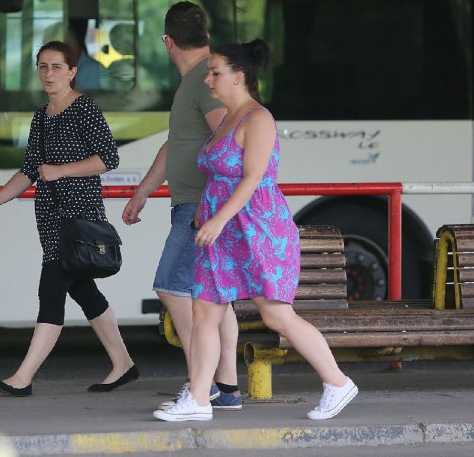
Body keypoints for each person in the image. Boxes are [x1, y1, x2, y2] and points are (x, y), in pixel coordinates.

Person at [153, 39, 358, 422]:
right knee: (204, 312)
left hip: (257, 230)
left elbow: (252, 178)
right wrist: (205, 213)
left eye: (215, 72)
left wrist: (217, 218)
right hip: (223, 233)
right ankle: (199, 398)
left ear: (239, 76)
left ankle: (337, 382)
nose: (208, 79)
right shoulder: (226, 118)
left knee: (276, 315)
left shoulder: (258, 118)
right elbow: (220, 175)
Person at [0, 40, 138, 396]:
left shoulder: (84, 108)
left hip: (78, 216)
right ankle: (123, 363)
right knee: (83, 289)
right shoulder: (41, 116)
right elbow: (29, 170)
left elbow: (108, 158)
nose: (49, 74)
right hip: (51, 219)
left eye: (57, 67)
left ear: (72, 72)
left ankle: (23, 377)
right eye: (43, 66)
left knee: (51, 291)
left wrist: (60, 170)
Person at [122, 2, 241, 410]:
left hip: (199, 208)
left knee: (171, 287)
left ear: (167, 41)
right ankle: (226, 387)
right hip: (203, 206)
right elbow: (177, 145)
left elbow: (227, 136)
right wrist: (142, 192)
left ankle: (200, 386)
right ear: (205, 36)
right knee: (216, 298)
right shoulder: (199, 79)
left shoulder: (203, 80)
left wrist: (210, 204)